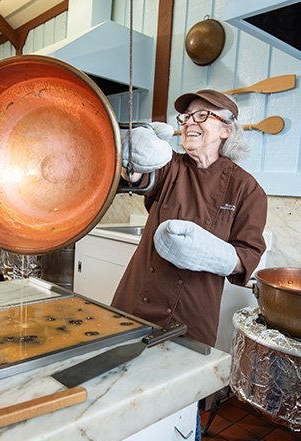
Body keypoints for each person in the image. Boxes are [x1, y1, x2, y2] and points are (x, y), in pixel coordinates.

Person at [111, 89, 267, 347]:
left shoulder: (246, 189)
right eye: (186, 117)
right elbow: (137, 179)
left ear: (226, 130)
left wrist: (209, 253)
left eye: (202, 115)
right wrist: (133, 158)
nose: (190, 122)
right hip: (136, 302)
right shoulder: (170, 166)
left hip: (190, 316)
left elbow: (247, 256)